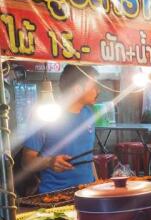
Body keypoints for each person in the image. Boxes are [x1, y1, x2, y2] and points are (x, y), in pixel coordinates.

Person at [22, 64, 99, 193]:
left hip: (88, 192)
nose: (98, 91)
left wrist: (96, 183)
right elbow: (26, 162)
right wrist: (49, 162)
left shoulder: (89, 114)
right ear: (77, 89)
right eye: (94, 86)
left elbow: (88, 158)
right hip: (55, 195)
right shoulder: (44, 115)